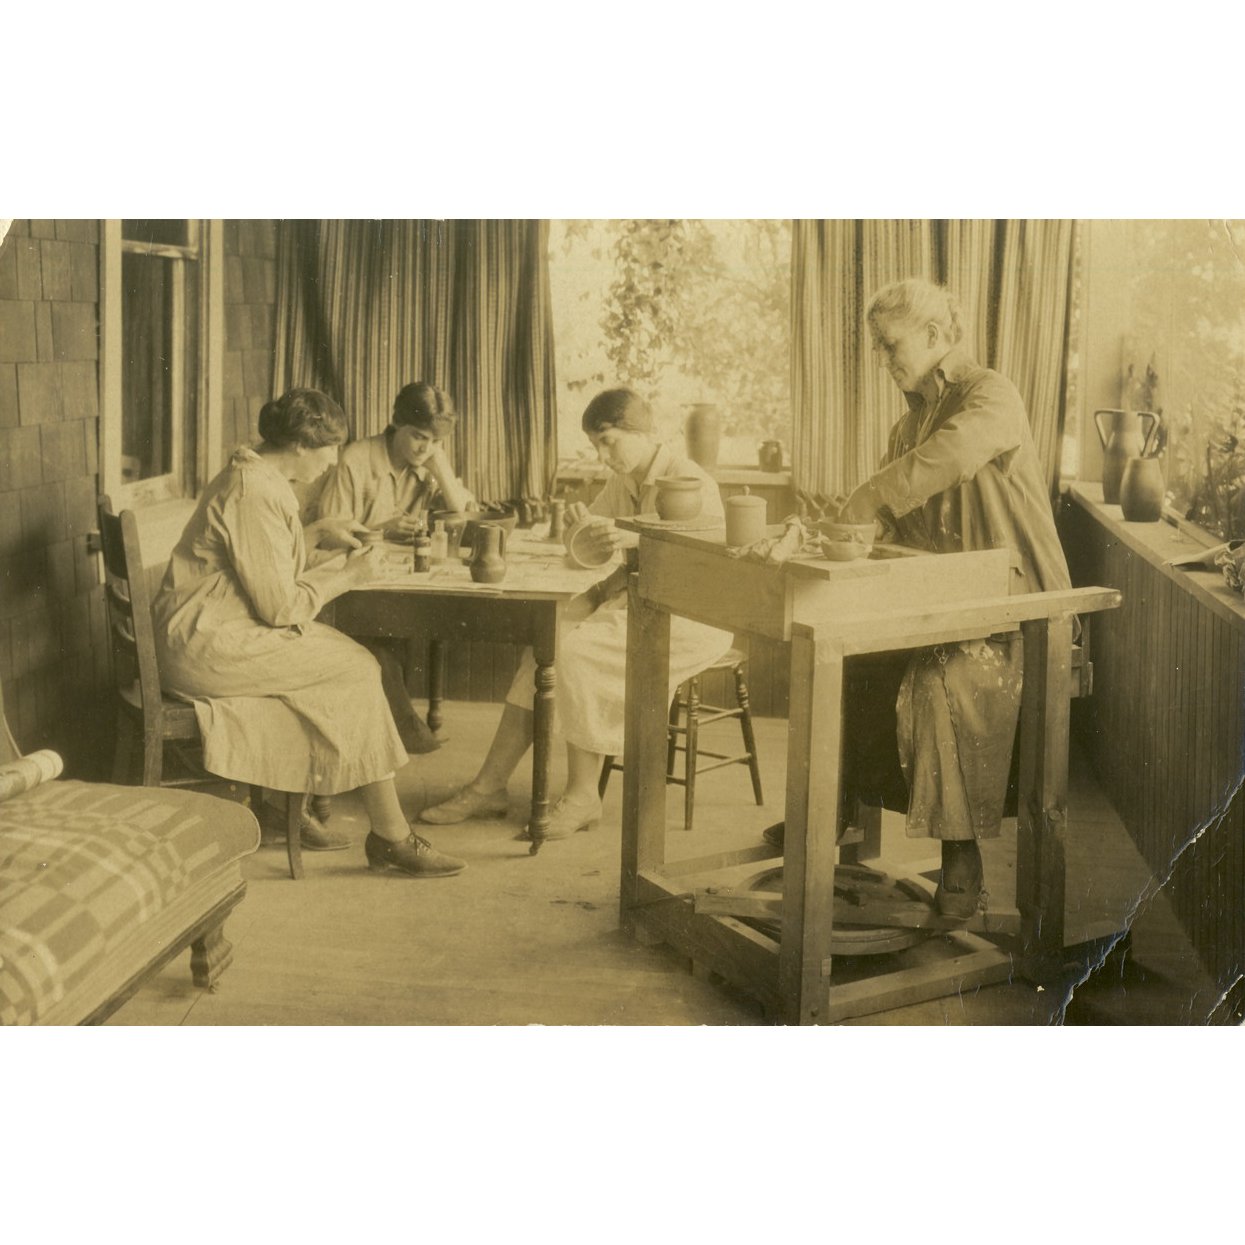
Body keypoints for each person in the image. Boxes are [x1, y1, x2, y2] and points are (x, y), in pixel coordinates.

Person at [812, 277, 1073, 917]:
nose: (885, 359)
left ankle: (962, 855)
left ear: (934, 336)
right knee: (835, 658)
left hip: (1022, 612)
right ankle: (833, 812)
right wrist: (855, 528)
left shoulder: (991, 394)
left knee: (937, 679)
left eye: (890, 344)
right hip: (948, 605)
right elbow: (898, 518)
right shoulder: (907, 428)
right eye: (878, 348)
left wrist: (870, 496)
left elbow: (949, 458)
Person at [152, 387, 466, 878]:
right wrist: (348, 575)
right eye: (328, 449)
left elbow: (260, 560)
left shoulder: (252, 474)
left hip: (211, 628)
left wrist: (318, 533)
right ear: (300, 445)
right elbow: (281, 606)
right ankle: (390, 837)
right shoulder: (253, 490)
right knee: (358, 668)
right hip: (204, 644)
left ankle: (289, 806)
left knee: (344, 663)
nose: (332, 460)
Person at [420, 387, 735, 840]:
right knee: (546, 644)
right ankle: (489, 786)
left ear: (644, 433)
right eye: (595, 445)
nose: (603, 455)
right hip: (639, 601)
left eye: (609, 441)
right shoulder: (624, 481)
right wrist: (580, 536)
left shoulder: (689, 480)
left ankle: (584, 795)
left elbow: (708, 561)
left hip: (693, 614)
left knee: (575, 652)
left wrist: (637, 540)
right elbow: (585, 544)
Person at [314, 381, 476, 755]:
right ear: (395, 425)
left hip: (391, 581)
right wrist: (380, 529)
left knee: (400, 631)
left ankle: (388, 733)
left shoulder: (429, 462)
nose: (426, 448)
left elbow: (466, 523)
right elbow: (325, 536)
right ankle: (400, 732)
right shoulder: (356, 460)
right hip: (344, 582)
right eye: (419, 437)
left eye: (435, 442)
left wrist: (441, 468)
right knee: (379, 646)